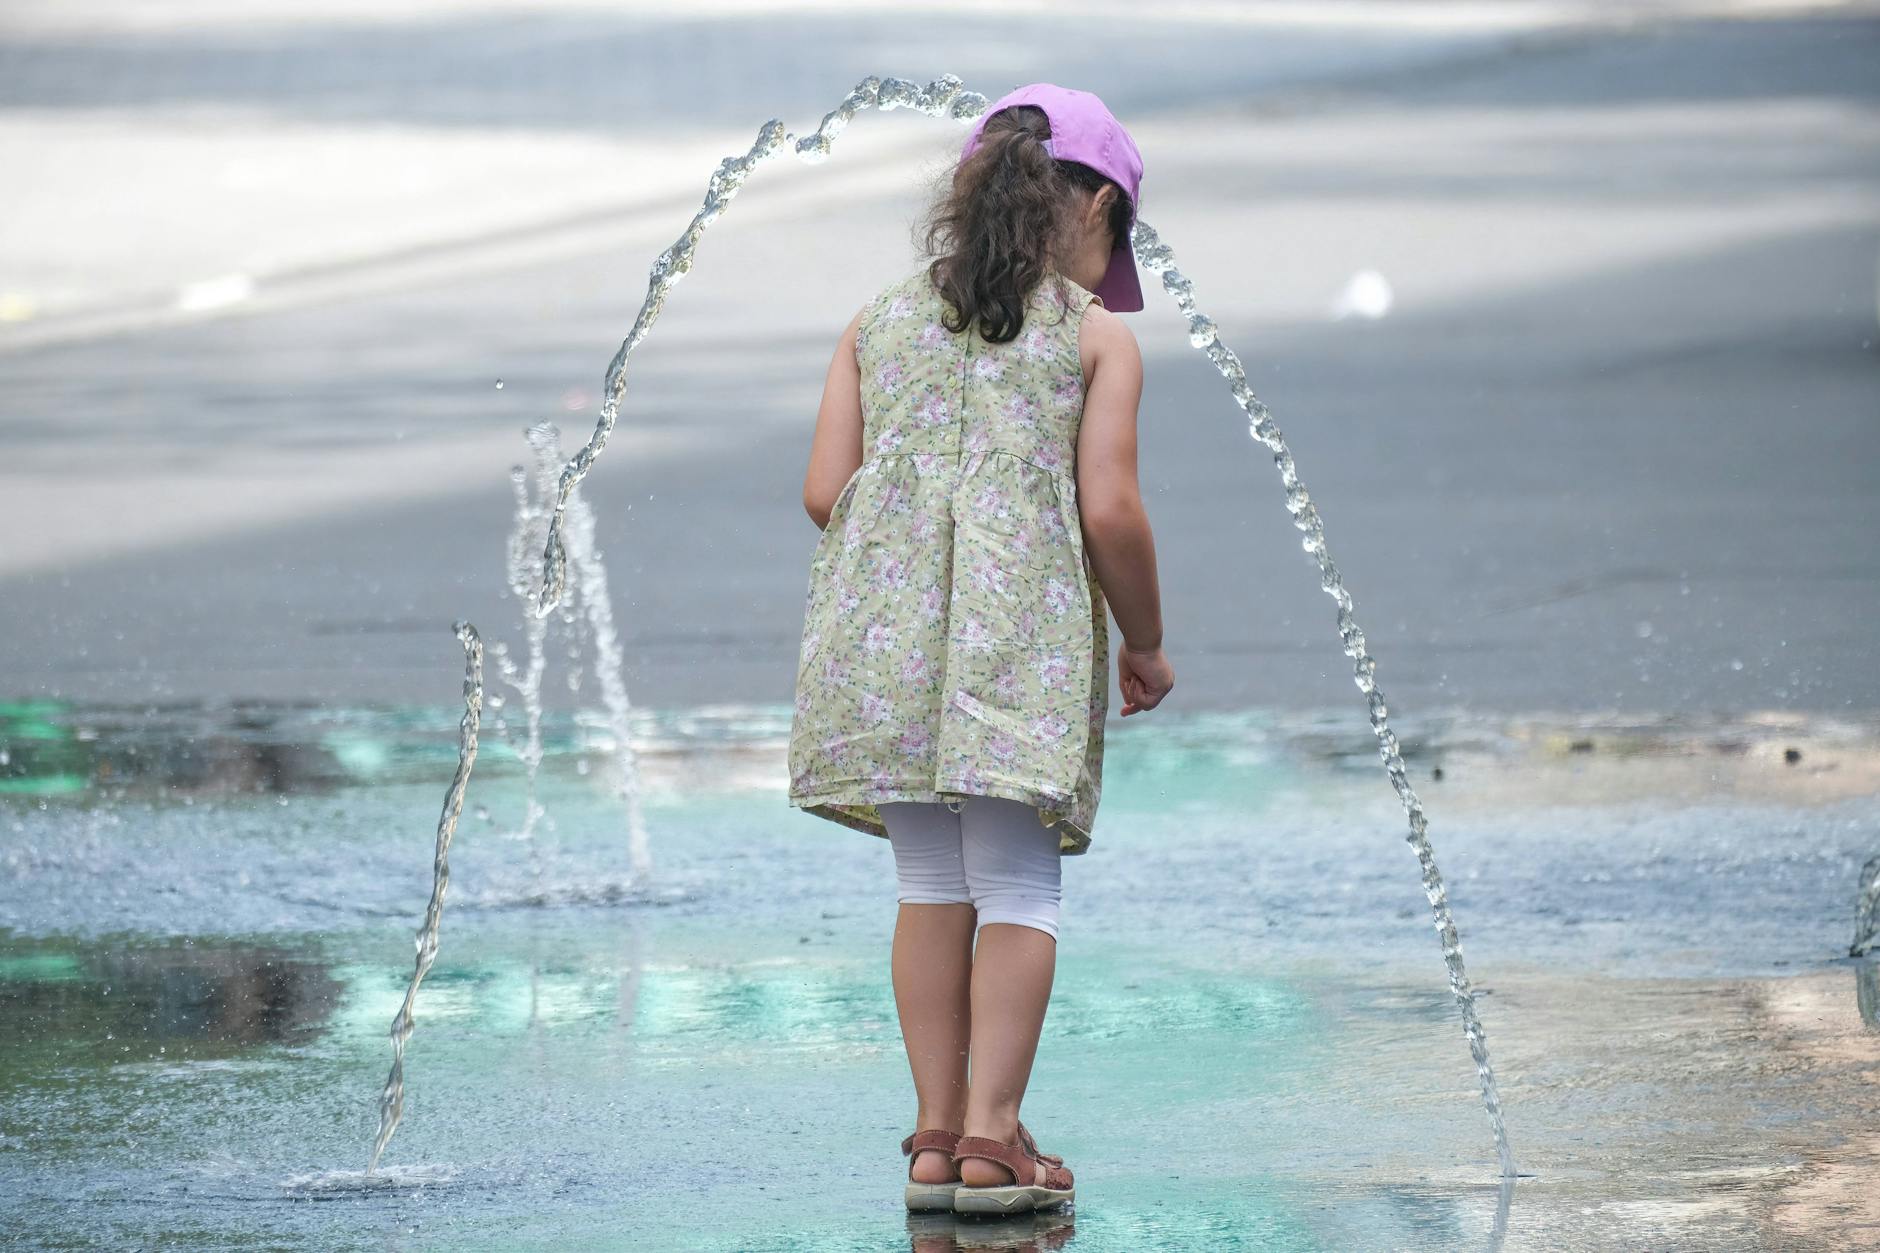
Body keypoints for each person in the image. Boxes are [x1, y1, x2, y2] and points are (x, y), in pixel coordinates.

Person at [787, 82, 1173, 1217]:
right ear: (1094, 206)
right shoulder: (1093, 338)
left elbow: (824, 492)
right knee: (1016, 882)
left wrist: (917, 542)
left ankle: (935, 1137)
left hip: (881, 638)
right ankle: (995, 1138)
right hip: (1015, 644)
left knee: (926, 881)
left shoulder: (875, 322)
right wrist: (1144, 638)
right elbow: (1110, 510)